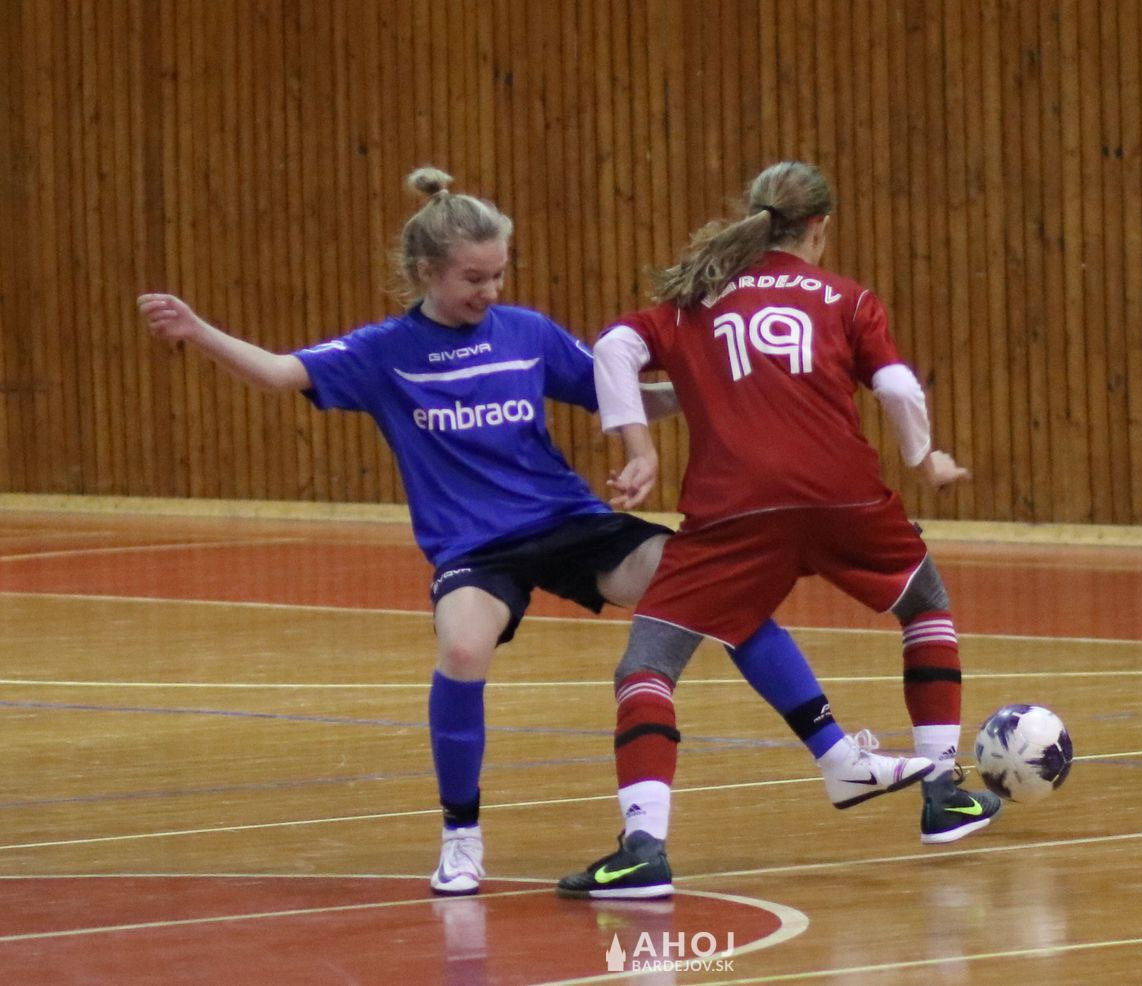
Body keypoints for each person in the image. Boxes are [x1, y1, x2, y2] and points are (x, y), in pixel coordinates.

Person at [137, 164, 927, 899]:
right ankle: (461, 837)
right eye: (472, 279)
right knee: (462, 650)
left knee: (714, 589)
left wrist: (710, 387)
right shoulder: (383, 353)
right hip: (475, 548)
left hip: (568, 522)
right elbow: (281, 372)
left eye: (498, 275)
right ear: (426, 273)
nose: (489, 291)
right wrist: (198, 330)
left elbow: (622, 392)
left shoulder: (526, 332)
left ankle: (839, 757)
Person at [558, 161, 1001, 901]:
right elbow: (896, 386)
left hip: (735, 508)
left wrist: (639, 449)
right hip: (843, 498)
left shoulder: (695, 299)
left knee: (647, 667)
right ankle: (944, 793)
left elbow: (612, 350)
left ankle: (643, 848)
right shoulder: (847, 298)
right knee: (924, 605)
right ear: (819, 227)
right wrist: (925, 460)